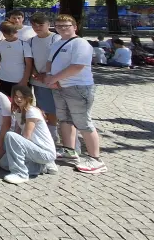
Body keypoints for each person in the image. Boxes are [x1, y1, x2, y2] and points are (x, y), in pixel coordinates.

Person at [45, 14, 107, 174]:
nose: (62, 28)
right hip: (60, 87)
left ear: (74, 27)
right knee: (65, 119)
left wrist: (54, 78)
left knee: (83, 122)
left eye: (66, 25)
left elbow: (77, 66)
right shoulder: (57, 43)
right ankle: (69, 150)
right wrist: (50, 77)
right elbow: (50, 62)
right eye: (59, 26)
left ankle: (95, 159)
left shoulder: (81, 43)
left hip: (78, 87)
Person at [0, 85, 58, 184]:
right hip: (33, 148)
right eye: (16, 96)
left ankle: (21, 174)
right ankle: (42, 167)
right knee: (3, 163)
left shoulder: (31, 111)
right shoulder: (18, 111)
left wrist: (19, 152)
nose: (18, 99)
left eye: (21, 97)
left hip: (44, 151)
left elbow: (27, 136)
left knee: (10, 135)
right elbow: (17, 132)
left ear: (28, 98)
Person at [27, 12, 62, 143]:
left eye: (41, 25)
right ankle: (46, 133)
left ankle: (54, 134)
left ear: (48, 24)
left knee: (54, 108)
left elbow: (58, 59)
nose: (37, 28)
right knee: (42, 107)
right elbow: (29, 60)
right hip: (38, 80)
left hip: (53, 79)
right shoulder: (31, 41)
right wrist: (35, 73)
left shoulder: (56, 39)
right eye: (34, 25)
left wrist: (47, 74)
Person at [0, 21, 34, 97]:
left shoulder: (24, 45)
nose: (9, 36)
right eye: (6, 34)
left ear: (16, 32)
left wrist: (25, 80)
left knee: (21, 102)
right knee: (5, 102)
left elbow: (29, 64)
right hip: (3, 79)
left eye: (11, 34)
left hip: (19, 80)